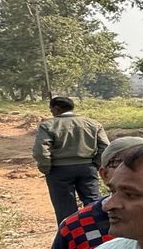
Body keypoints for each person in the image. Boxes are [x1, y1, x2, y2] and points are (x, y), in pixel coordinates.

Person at [33, 95, 110, 224]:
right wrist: (96, 164)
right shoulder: (92, 123)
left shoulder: (48, 125)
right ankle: (100, 231)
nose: (51, 112)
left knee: (65, 207)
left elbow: (41, 150)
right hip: (87, 167)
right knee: (93, 202)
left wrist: (46, 168)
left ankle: (70, 237)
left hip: (59, 170)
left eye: (51, 109)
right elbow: (105, 146)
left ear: (56, 109)